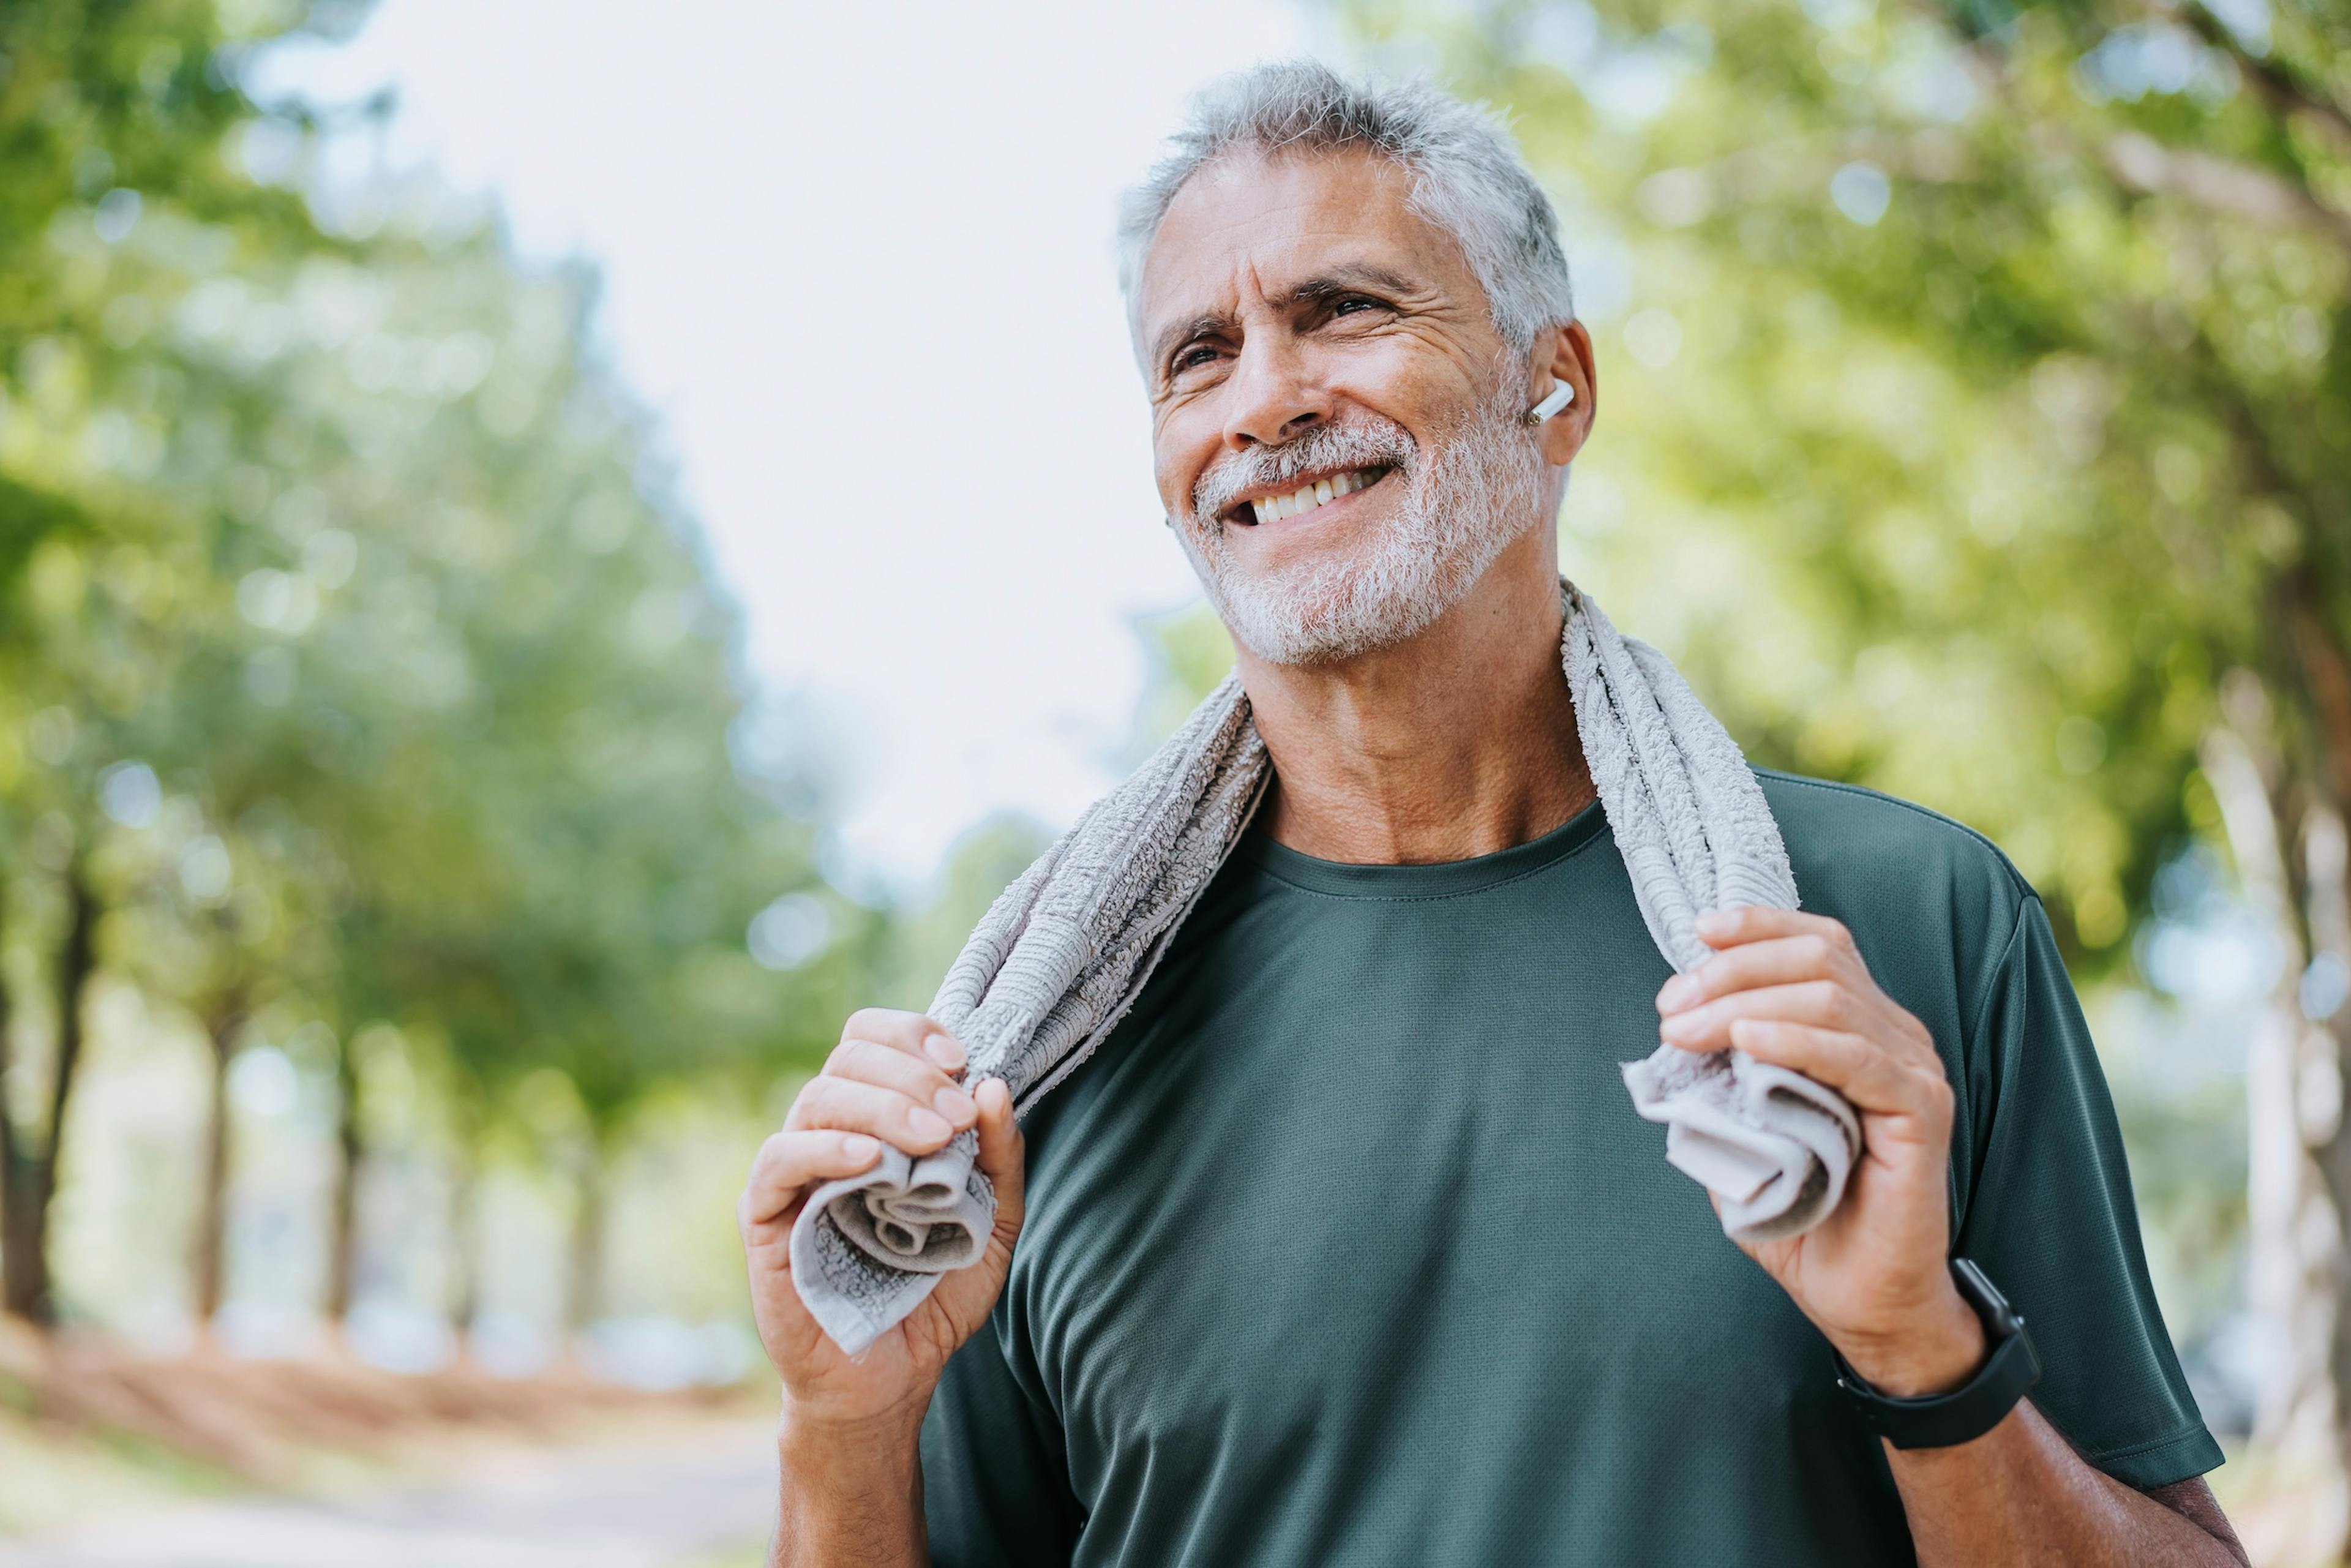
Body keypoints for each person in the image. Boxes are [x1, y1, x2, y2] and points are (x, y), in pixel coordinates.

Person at [737, 59, 2246, 1566]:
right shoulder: (1032, 1051)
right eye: (1199, 355)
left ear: (1559, 387)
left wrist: (1928, 1346)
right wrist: (844, 1429)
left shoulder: (1897, 935)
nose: (1266, 398)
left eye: (1342, 310)